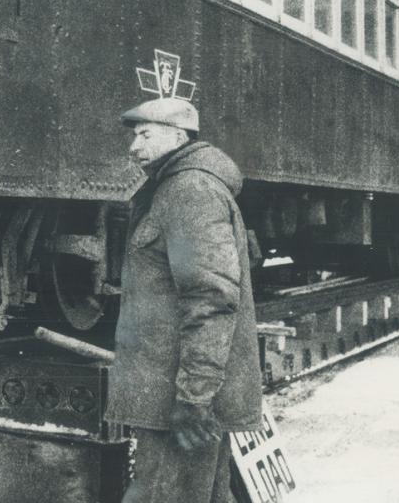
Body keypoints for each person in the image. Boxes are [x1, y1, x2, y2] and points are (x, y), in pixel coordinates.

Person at [106, 96, 263, 503]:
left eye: (144, 135)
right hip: (175, 398)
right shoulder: (177, 188)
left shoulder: (189, 190)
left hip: (176, 403)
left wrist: (194, 399)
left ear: (177, 137)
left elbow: (210, 300)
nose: (133, 146)